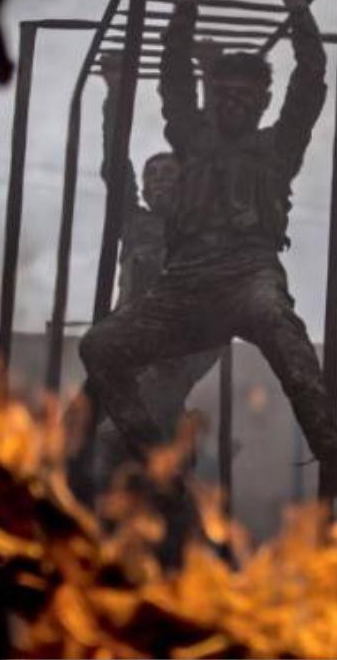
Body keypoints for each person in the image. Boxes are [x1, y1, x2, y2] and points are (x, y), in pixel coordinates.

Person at [78, 0, 337, 499]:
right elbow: (172, 68)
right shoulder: (190, 138)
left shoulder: (278, 148)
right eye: (224, 93)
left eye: (246, 95)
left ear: (262, 102)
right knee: (99, 348)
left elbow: (311, 75)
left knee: (286, 337)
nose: (234, 102)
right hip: (184, 288)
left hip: (247, 276)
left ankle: (333, 455)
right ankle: (150, 451)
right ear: (210, 96)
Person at [77, 50, 222, 497]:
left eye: (168, 173)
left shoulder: (202, 230)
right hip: (124, 350)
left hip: (170, 358)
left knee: (118, 445)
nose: (158, 180)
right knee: (71, 442)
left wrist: (211, 87)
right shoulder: (135, 224)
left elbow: (208, 155)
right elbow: (114, 168)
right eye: (151, 173)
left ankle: (168, 508)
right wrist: (116, 93)